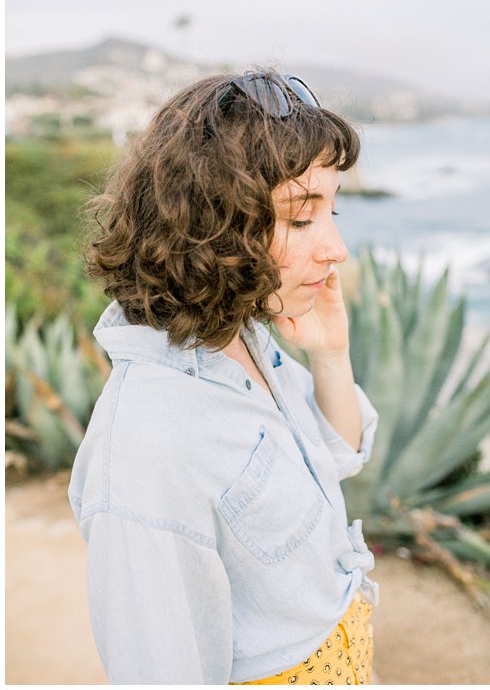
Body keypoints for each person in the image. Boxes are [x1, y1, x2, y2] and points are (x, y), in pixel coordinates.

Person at [68, 71, 380, 684]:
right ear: (212, 226)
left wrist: (331, 355)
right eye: (299, 220)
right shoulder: (145, 450)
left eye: (331, 211)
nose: (337, 248)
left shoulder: (242, 334)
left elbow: (336, 454)